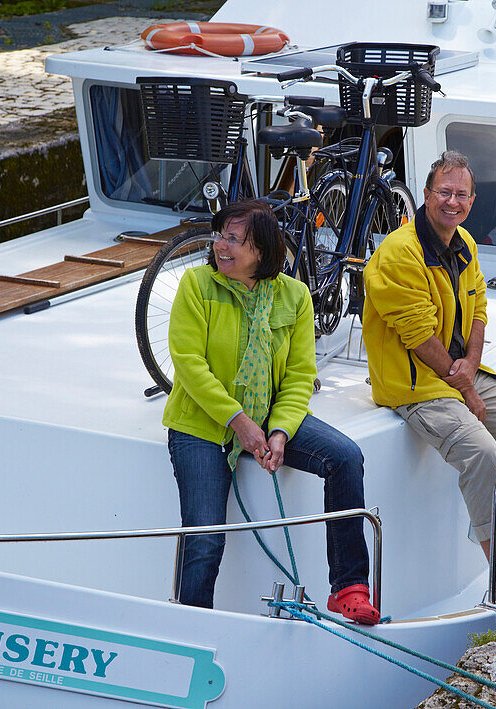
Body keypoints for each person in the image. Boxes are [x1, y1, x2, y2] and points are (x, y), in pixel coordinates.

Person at [362, 151, 496, 602]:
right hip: (415, 384)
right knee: (481, 451)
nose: (452, 201)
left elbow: (478, 309)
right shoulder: (399, 254)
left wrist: (471, 368)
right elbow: (418, 336)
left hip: (460, 373)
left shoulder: (465, 242)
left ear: (473, 200)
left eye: (461, 194)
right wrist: (465, 389)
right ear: (425, 194)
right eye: (444, 192)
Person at [163, 199, 380, 624]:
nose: (220, 247)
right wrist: (239, 422)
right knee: (205, 538)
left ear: (261, 250)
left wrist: (278, 431)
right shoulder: (196, 284)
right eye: (220, 236)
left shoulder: (295, 295)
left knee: (345, 456)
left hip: (269, 415)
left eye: (233, 239)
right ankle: (192, 627)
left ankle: (348, 588)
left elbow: (301, 375)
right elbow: (188, 363)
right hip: (202, 424)